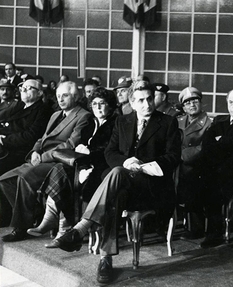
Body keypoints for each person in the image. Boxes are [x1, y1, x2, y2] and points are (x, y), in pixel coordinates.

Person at [55, 81, 181, 283]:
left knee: (116, 174)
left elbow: (173, 156)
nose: (147, 104)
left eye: (149, 99)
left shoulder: (167, 122)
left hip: (151, 184)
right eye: (141, 100)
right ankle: (106, 260)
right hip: (124, 184)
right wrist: (127, 162)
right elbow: (109, 152)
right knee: (116, 193)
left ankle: (82, 227)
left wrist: (142, 165)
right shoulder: (122, 121)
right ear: (132, 101)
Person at [0, 81, 92, 242]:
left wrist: (42, 157)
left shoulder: (83, 116)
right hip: (41, 157)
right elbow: (42, 138)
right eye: (58, 96)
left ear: (76, 97)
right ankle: (34, 213)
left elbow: (70, 145)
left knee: (24, 177)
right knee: (5, 180)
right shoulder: (56, 114)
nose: (61, 99)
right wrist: (36, 150)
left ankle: (20, 228)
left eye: (65, 95)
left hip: (58, 162)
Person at [27, 87, 118, 248]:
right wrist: (82, 150)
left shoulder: (116, 122)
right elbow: (80, 142)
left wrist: (88, 153)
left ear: (110, 105)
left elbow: (110, 150)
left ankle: (62, 228)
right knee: (59, 170)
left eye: (102, 104)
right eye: (95, 103)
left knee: (66, 176)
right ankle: (54, 220)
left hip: (101, 164)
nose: (97, 107)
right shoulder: (91, 122)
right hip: (82, 161)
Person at [199, 88, 233, 248]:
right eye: (231, 102)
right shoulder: (219, 122)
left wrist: (221, 142)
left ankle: (214, 233)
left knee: (213, 186)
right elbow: (207, 147)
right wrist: (224, 144)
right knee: (199, 180)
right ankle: (201, 228)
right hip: (217, 172)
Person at [176, 87, 212, 239]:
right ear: (183, 107)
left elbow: (204, 147)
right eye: (188, 102)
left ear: (201, 103)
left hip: (197, 165)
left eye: (195, 101)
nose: (192, 105)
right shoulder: (179, 121)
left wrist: (181, 155)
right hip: (179, 163)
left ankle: (195, 228)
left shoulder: (209, 123)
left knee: (191, 182)